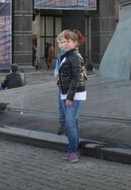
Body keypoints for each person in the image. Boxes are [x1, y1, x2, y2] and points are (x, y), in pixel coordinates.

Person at [55, 29, 88, 163]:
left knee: (69, 123)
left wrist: (69, 97)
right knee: (73, 122)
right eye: (63, 42)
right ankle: (73, 150)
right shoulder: (67, 55)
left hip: (74, 94)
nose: (65, 44)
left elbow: (77, 78)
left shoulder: (74, 56)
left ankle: (73, 151)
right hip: (65, 92)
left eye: (68, 41)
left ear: (75, 42)